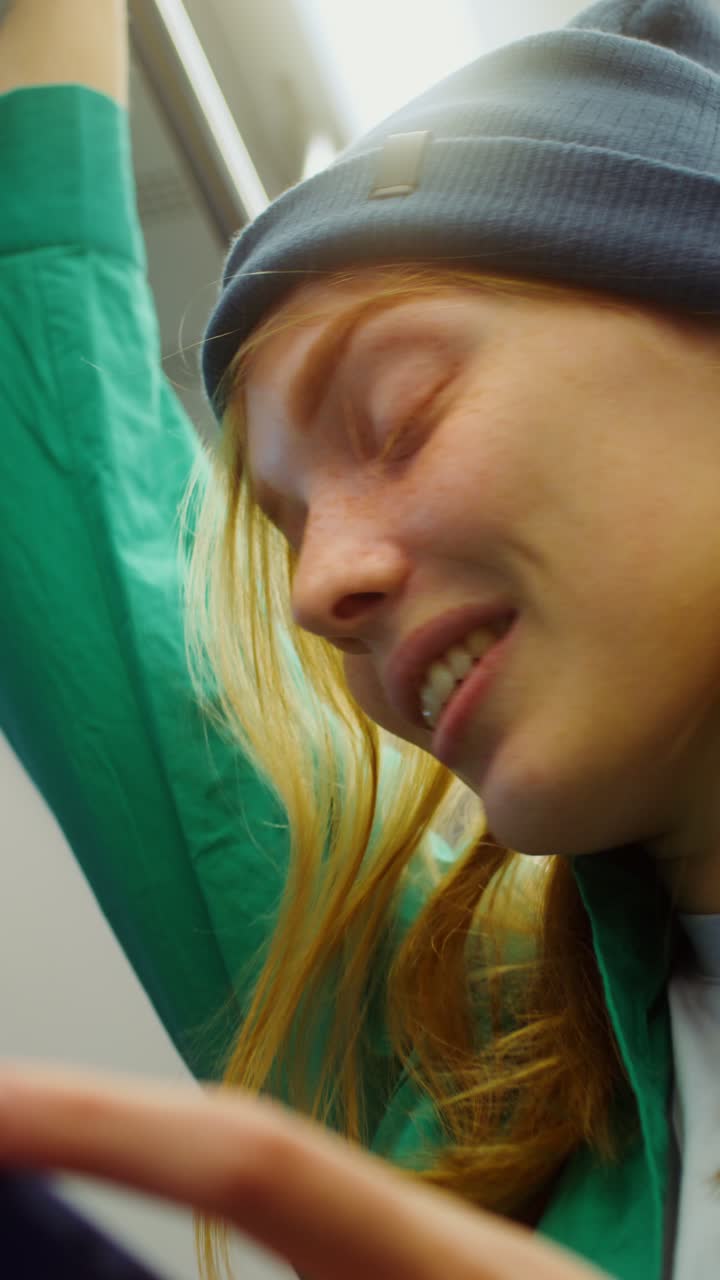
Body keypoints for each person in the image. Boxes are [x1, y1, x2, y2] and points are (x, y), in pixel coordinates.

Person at [1, 1, 720, 1278]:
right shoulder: (479, 1067)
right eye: (288, 532)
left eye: (399, 416)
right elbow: (52, 465)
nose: (316, 588)